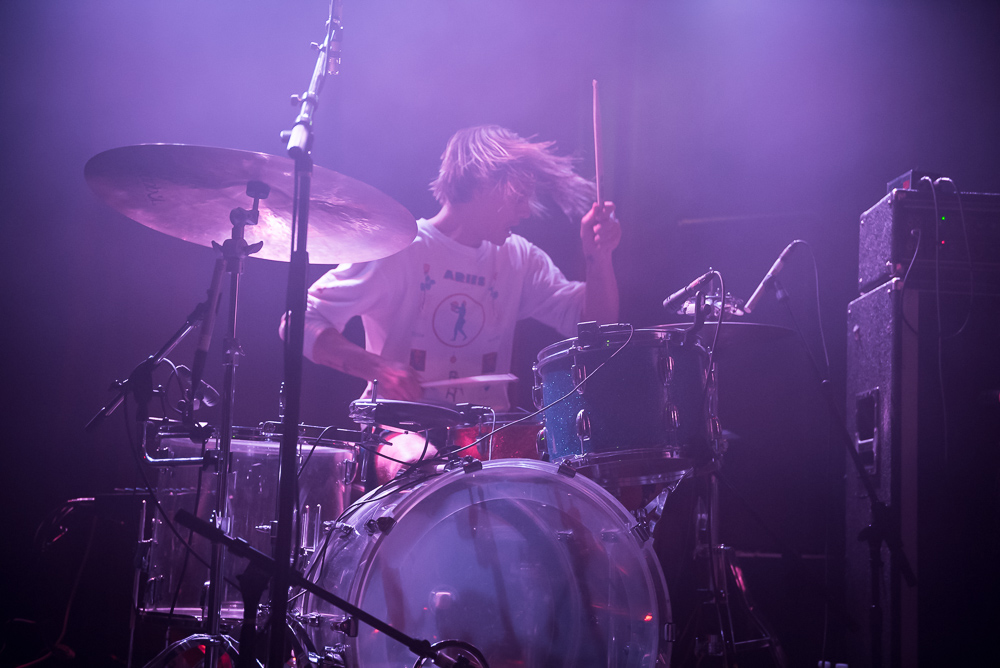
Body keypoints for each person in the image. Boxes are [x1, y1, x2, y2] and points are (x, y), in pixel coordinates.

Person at [284, 125, 621, 478]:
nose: (525, 212)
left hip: (489, 436)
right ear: (482, 185)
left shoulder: (519, 258)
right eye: (518, 197)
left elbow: (593, 325)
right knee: (420, 462)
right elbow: (298, 320)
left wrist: (599, 259)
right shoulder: (400, 250)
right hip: (401, 429)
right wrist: (378, 368)